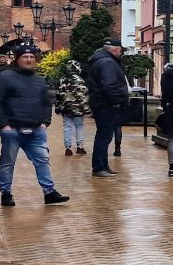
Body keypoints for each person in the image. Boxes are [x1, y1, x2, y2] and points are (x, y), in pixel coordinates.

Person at [0, 47, 69, 208]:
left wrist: (45, 122)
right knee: (8, 162)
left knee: (43, 161)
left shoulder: (39, 80)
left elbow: (47, 102)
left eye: (32, 56)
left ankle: (49, 192)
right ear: (17, 58)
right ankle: (6, 193)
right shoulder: (5, 77)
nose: (29, 60)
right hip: (13, 129)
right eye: (25, 56)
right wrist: (3, 125)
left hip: (36, 129)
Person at [84, 39, 130, 177]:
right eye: (120, 50)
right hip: (106, 104)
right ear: (115, 50)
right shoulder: (108, 63)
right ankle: (99, 168)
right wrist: (116, 101)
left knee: (104, 136)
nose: (121, 53)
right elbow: (109, 85)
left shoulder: (101, 60)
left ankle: (103, 166)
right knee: (104, 137)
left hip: (100, 103)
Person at [54, 57, 89, 156]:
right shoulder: (79, 80)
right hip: (78, 108)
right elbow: (81, 96)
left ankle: (68, 148)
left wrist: (58, 107)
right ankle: (80, 147)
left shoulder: (62, 79)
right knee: (79, 126)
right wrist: (86, 109)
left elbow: (58, 94)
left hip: (65, 108)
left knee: (67, 127)